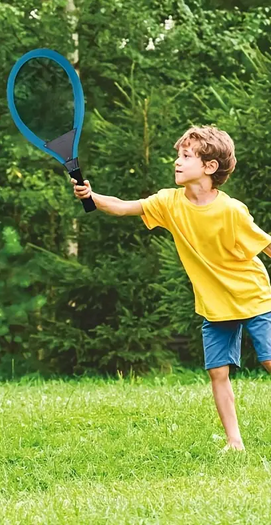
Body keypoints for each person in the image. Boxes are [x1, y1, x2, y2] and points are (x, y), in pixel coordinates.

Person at [72, 126, 271, 451]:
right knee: (217, 373)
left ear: (209, 167)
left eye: (186, 156)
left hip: (253, 296)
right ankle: (234, 442)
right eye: (178, 155)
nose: (177, 162)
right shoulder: (169, 202)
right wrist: (91, 197)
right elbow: (123, 207)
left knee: (269, 360)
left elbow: (267, 246)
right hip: (214, 304)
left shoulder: (231, 210)